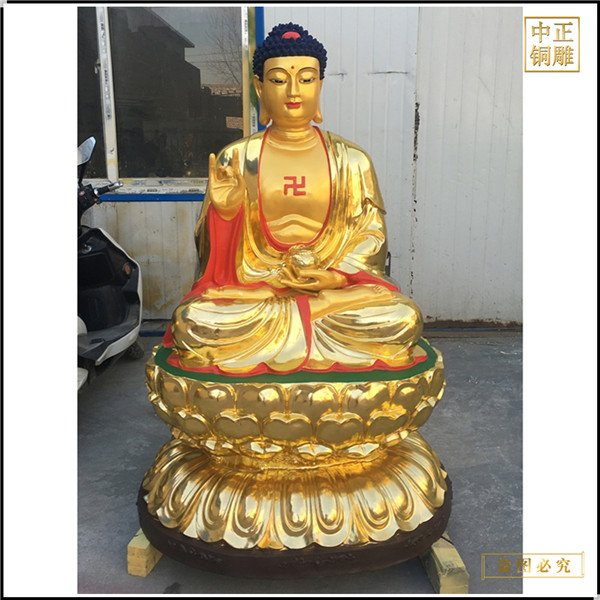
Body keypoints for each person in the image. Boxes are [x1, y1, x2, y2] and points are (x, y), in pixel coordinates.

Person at [163, 23, 424, 375]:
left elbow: (371, 238)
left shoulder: (352, 160)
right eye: (277, 80)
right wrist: (225, 215)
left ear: (320, 85)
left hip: (331, 293)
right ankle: (308, 323)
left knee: (402, 317)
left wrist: (334, 279)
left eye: (306, 78)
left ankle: (303, 322)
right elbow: (216, 268)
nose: (293, 91)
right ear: (259, 88)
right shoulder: (236, 159)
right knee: (194, 321)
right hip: (258, 290)